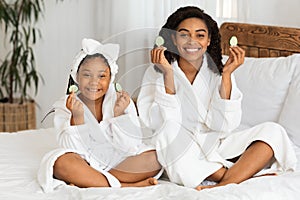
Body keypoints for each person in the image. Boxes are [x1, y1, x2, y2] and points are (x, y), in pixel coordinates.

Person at [137, 6, 297, 190]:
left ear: (208, 40)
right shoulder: (157, 71)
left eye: (200, 35)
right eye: (184, 35)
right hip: (181, 147)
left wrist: (227, 75)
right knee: (168, 132)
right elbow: (155, 122)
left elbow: (226, 124)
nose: (192, 41)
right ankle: (236, 174)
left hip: (218, 144)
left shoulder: (218, 72)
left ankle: (225, 181)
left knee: (273, 131)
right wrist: (168, 75)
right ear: (173, 38)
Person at [38, 38, 162, 192]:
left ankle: (91, 179)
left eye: (102, 76)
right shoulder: (65, 106)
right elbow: (71, 149)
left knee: (156, 158)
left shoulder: (122, 101)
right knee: (61, 162)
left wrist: (119, 116)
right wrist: (77, 117)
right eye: (87, 75)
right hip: (85, 163)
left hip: (121, 161)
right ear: (76, 77)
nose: (94, 82)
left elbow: (131, 145)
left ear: (111, 78)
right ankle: (125, 185)